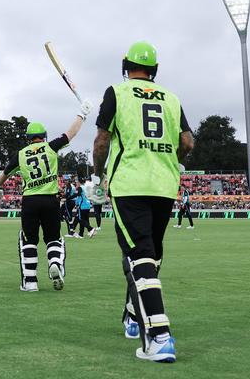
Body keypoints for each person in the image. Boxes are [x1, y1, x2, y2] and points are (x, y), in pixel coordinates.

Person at [90, 41, 193, 362]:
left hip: (129, 183)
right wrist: (173, 158)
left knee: (139, 255)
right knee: (149, 253)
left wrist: (97, 176)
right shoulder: (172, 98)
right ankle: (134, 316)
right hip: (164, 185)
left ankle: (159, 337)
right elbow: (188, 141)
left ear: (126, 66)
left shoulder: (116, 92)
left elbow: (101, 140)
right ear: (155, 70)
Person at [0, 101, 93, 292]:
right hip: (51, 200)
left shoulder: (20, 155)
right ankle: (54, 262)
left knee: (29, 240)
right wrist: (82, 115)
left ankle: (30, 282)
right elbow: (71, 133)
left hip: (30, 202)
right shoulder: (51, 147)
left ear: (28, 139)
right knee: (53, 239)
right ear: (43, 137)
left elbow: (5, 174)